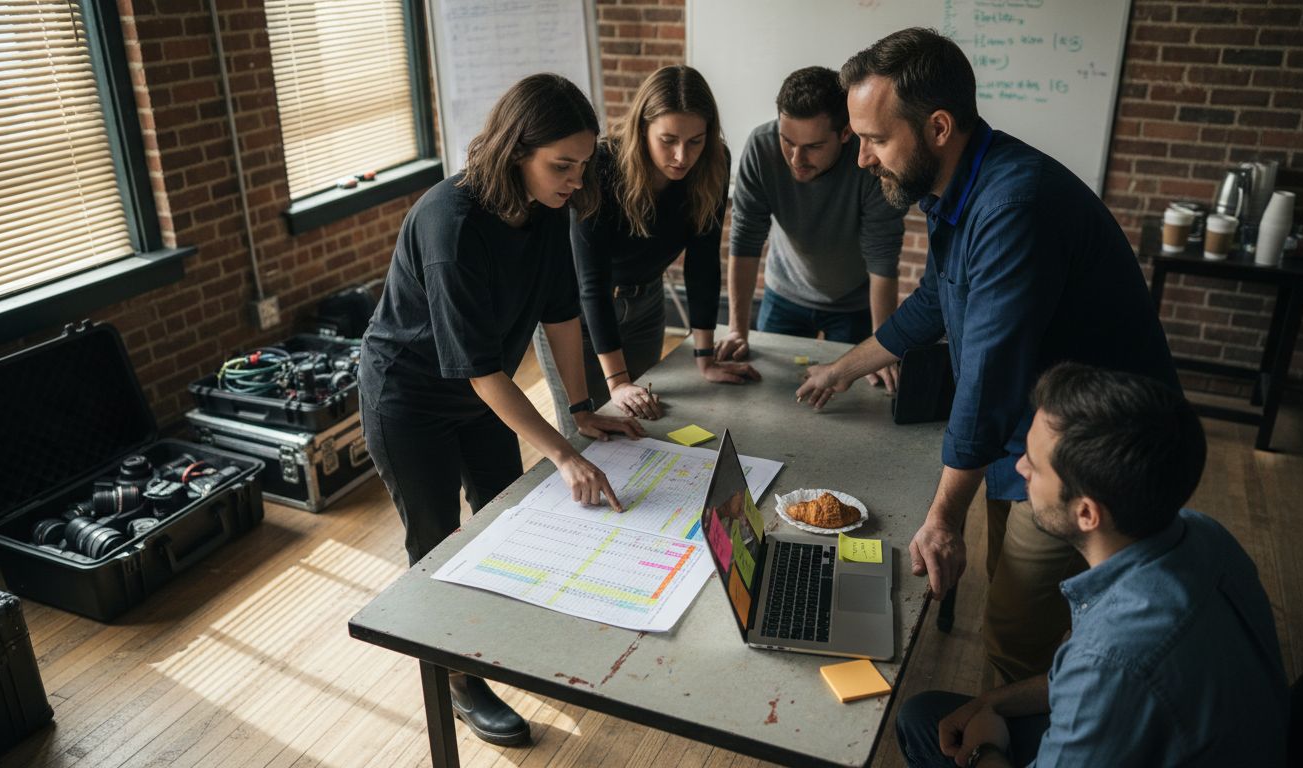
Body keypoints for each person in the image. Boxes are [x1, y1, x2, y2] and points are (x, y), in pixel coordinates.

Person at [795, 28, 1179, 684]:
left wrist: (944, 518)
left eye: (876, 139)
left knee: (1016, 631)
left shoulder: (1013, 206)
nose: (861, 159)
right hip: (1032, 434)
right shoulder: (961, 188)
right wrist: (841, 367)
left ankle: (1020, 733)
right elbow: (936, 303)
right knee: (1014, 593)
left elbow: (989, 379)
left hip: (1094, 456)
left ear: (938, 127)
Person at [358, 74, 645, 747]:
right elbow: (484, 370)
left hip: (477, 394)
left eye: (582, 165)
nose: (575, 180)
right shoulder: (449, 223)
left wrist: (580, 408)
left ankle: (505, 646)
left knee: (504, 521)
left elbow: (561, 312)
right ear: (518, 150)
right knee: (436, 542)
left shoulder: (548, 209)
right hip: (409, 400)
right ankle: (457, 679)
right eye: (561, 165)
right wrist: (564, 451)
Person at [895, 363, 1288, 767]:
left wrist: (984, 750)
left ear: (1086, 513)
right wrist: (993, 700)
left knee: (924, 726)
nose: (1019, 468)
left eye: (1033, 462)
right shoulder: (1206, 534)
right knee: (927, 714)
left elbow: (1108, 671)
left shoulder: (1110, 658)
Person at [537, 64, 759, 437]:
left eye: (695, 141)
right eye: (668, 140)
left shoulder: (713, 163)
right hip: (574, 314)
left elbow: (703, 262)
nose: (681, 156)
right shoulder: (601, 166)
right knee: (585, 436)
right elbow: (592, 280)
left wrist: (704, 358)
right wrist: (618, 380)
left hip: (646, 305)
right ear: (642, 128)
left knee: (642, 428)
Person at [715, 66, 906, 393]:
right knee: (767, 394)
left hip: (852, 302)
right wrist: (736, 329)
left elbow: (882, 258)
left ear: (845, 133)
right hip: (784, 293)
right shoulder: (761, 147)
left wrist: (882, 346)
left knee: (857, 397)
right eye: (787, 141)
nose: (796, 158)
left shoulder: (872, 164)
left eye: (813, 146)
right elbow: (745, 241)